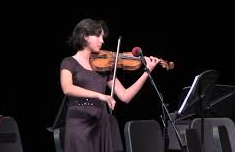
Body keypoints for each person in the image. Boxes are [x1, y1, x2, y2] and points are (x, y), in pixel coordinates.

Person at [60, 18, 160, 152]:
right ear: (84, 36)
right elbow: (68, 88)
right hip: (78, 124)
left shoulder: (104, 66)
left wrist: (147, 71)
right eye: (98, 35)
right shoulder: (69, 63)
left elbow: (125, 96)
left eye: (103, 36)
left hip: (101, 124)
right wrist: (101, 96)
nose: (102, 40)